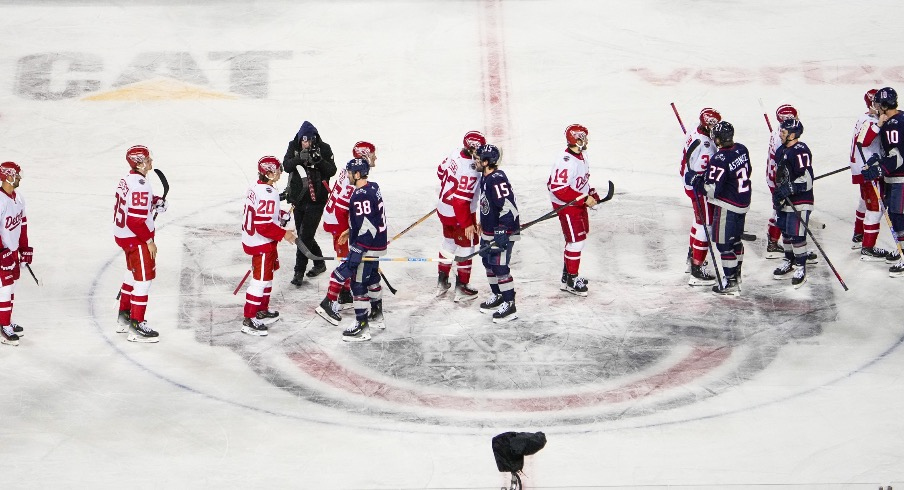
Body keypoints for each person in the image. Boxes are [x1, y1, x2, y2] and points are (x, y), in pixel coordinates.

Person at [316, 158, 387, 341]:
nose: (347, 175)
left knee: (357, 284)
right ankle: (377, 316)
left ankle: (362, 326)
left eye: (349, 173)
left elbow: (368, 227)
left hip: (366, 246)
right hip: (377, 244)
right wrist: (351, 230)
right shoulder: (373, 187)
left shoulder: (359, 196)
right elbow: (371, 218)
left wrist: (357, 250)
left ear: (357, 174)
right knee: (372, 279)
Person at [113, 145, 167, 342]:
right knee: (143, 281)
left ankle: (124, 318)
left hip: (124, 236)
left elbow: (136, 203)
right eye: (148, 159)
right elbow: (135, 221)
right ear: (139, 163)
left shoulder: (128, 179)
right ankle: (136, 325)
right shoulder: (141, 184)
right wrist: (149, 241)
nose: (151, 161)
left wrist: (155, 201)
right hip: (136, 238)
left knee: (130, 276)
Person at [240, 156, 298, 336]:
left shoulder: (256, 187)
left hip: (256, 240)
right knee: (260, 281)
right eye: (278, 169)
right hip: (262, 243)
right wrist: (285, 233)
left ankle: (261, 310)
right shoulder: (268, 192)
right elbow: (263, 225)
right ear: (269, 173)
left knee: (267, 278)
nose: (281, 172)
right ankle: (249, 319)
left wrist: (279, 215)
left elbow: (263, 213)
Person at [692, 122, 751, 296]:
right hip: (743, 203)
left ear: (717, 139)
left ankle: (730, 283)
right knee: (736, 242)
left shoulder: (719, 159)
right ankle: (736, 276)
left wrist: (696, 181)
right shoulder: (742, 149)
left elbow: (712, 190)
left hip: (727, 206)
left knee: (725, 245)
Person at [547, 123, 603, 296]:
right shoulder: (566, 161)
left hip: (576, 201)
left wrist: (590, 192)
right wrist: (584, 198)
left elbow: (581, 180)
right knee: (576, 242)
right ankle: (572, 280)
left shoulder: (581, 155)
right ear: (577, 140)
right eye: (584, 137)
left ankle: (567, 277)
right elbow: (558, 188)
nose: (587, 140)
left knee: (576, 240)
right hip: (567, 205)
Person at [281, 120, 337, 286]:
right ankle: (319, 263)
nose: (306, 143)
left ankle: (299, 271)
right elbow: (286, 166)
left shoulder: (324, 148)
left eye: (309, 140)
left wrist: (319, 161)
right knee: (305, 233)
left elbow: (332, 171)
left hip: (316, 200)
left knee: (304, 237)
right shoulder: (293, 145)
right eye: (303, 140)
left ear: (314, 139)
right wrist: (298, 158)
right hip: (298, 198)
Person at [435, 130, 485, 301]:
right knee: (467, 247)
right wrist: (467, 223)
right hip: (459, 214)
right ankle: (462, 288)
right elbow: (460, 202)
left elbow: (441, 172)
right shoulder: (471, 170)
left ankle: (442, 282)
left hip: (443, 208)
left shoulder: (455, 152)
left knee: (448, 243)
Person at [861, 86, 904, 277]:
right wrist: (876, 161)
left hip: (900, 178)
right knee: (896, 216)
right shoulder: (897, 118)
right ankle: (902, 250)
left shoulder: (893, 125)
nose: (876, 107)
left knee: (899, 215)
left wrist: (879, 168)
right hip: (894, 177)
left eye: (879, 103)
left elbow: (898, 156)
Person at [850, 89, 897, 261]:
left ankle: (858, 236)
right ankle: (868, 248)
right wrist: (880, 124)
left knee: (864, 202)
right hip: (869, 171)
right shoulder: (870, 121)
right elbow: (864, 141)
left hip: (862, 168)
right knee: (875, 209)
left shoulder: (864, 118)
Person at [475, 144, 520, 323]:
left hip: (502, 231)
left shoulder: (497, 179)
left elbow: (508, 206)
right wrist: (484, 219)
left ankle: (510, 304)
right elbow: (489, 204)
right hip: (488, 230)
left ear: (486, 162)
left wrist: (503, 230)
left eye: (478, 160)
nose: (475, 162)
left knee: (500, 267)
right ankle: (498, 295)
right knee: (487, 262)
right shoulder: (484, 177)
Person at [771, 118, 814, 288]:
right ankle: (788, 260)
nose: (780, 134)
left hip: (801, 200)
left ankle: (800, 266)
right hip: (785, 200)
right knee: (786, 232)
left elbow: (808, 180)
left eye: (783, 132)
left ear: (793, 135)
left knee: (797, 235)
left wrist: (790, 188)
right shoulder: (781, 150)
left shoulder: (800, 151)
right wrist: (779, 192)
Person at [680, 108, 720, 286]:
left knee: (698, 223)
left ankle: (692, 258)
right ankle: (697, 269)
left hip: (689, 184)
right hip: (699, 189)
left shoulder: (694, 132)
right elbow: (702, 170)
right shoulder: (705, 146)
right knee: (706, 225)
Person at [0, 162, 30, 346]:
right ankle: (3, 326)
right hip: (2, 252)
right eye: (17, 175)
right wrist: (1, 251)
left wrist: (24, 248)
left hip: (12, 251)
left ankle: (7, 321)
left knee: (12, 288)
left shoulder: (19, 198)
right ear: (8, 176)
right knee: (5, 288)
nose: (19, 178)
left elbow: (23, 225)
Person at [764, 104, 799, 259]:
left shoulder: (779, 132)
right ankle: (780, 244)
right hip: (778, 179)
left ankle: (773, 241)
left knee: (780, 209)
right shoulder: (782, 139)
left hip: (774, 176)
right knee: (783, 210)